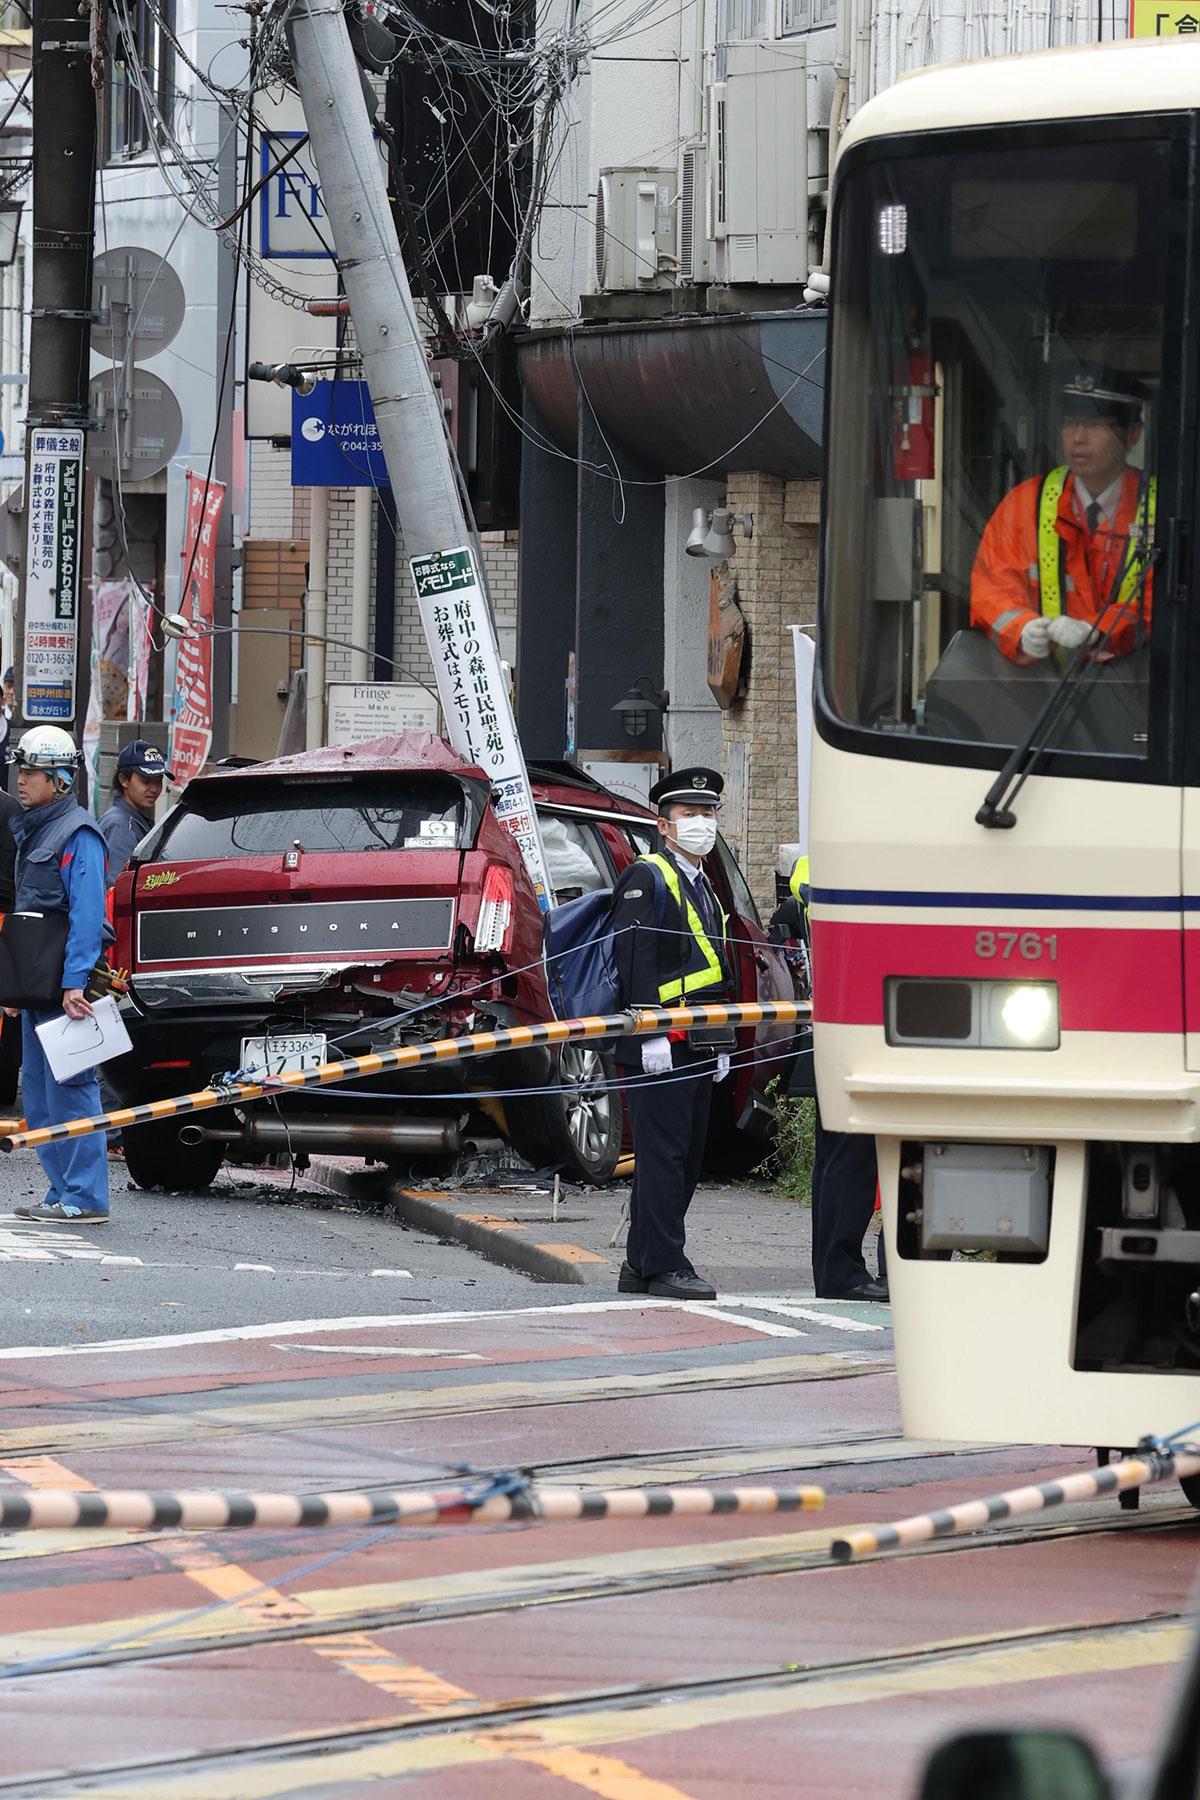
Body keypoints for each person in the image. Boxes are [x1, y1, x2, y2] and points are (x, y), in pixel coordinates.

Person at [612, 767, 734, 1301]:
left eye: (708, 814)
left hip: (700, 1040)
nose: (702, 824)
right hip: (662, 1042)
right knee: (664, 1158)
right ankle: (665, 1263)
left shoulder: (702, 882)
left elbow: (712, 969)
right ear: (664, 825)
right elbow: (632, 958)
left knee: (683, 1157)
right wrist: (648, 1037)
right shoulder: (649, 875)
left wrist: (723, 1040)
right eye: (691, 815)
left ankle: (641, 1263)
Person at [970, 367, 1155, 664]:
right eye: (1070, 423)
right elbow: (992, 589)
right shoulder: (1024, 505)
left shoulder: (1162, 509)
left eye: (1095, 425)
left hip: (1138, 697)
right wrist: (1023, 630)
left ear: (1132, 434)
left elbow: (1164, 606)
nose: (1078, 438)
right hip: (1041, 696)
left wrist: (1097, 630)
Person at [770, 857, 887, 1302]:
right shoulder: (830, 865)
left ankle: (839, 1270)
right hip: (857, 1026)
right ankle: (841, 1272)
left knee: (843, 1158)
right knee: (849, 1158)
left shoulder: (821, 864)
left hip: (851, 1024)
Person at [7, 726, 110, 1224]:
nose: (20, 780)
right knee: (42, 1092)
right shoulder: (35, 830)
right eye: (20, 770)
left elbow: (89, 918)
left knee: (72, 1088)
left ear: (61, 779)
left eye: (30, 772)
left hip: (67, 989)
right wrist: (15, 988)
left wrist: (75, 983)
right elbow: (30, 918)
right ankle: (63, 1191)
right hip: (39, 987)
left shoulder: (78, 834)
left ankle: (86, 1197)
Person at [98, 740, 169, 886]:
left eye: (158, 781)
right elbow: (118, 887)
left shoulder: (130, 820)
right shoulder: (122, 826)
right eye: (146, 781)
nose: (154, 789)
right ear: (124, 780)